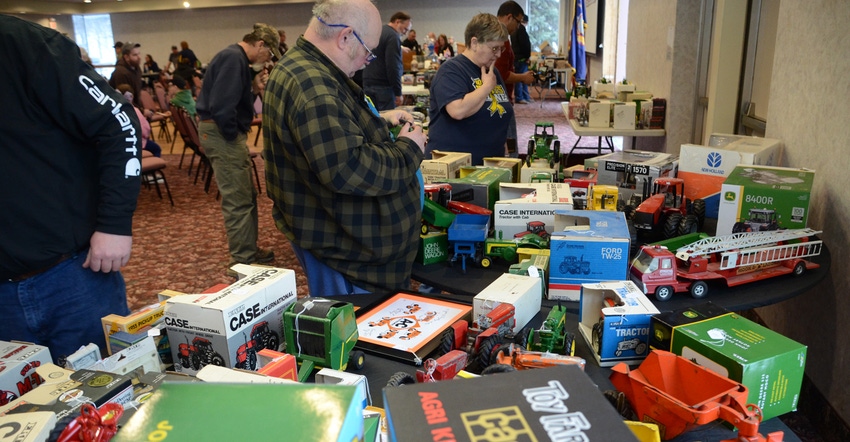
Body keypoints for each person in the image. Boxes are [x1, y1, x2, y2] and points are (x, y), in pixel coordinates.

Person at [0, 15, 141, 362]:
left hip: (71, 274)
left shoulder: (23, 44)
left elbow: (119, 124)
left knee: (110, 395)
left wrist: (114, 223)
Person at [264, 0, 427, 296]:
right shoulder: (314, 88)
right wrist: (409, 148)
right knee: (358, 329)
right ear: (346, 37)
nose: (369, 60)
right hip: (346, 253)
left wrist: (376, 119)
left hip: (335, 236)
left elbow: (331, 135)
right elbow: (348, 167)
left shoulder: (306, 68)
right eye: (369, 50)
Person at [196, 23, 281, 277]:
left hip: (222, 133)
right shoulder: (234, 59)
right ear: (260, 44)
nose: (268, 58)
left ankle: (247, 251)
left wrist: (255, 88)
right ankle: (241, 261)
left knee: (245, 195)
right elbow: (222, 106)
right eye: (269, 53)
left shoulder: (236, 59)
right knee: (238, 200)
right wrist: (234, 135)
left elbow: (234, 99)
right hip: (223, 135)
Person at [426, 13, 514, 165]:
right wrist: (486, 87)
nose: (498, 54)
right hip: (456, 170)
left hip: (489, 166)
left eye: (501, 49)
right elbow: (457, 110)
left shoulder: (492, 72)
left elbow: (503, 113)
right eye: (494, 48)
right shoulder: (451, 70)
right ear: (474, 43)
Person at [362, 11, 411, 110]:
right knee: (387, 121)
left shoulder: (378, 31)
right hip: (384, 87)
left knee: (372, 119)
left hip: (367, 81)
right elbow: (393, 66)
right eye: (405, 29)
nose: (405, 33)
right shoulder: (393, 37)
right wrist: (398, 92)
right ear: (397, 22)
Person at [494, 1, 534, 104]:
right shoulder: (500, 40)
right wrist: (523, 77)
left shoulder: (498, 36)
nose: (518, 26)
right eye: (518, 22)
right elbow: (501, 75)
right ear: (509, 17)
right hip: (499, 99)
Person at [117, 84, 163, 158]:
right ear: (131, 96)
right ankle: (151, 168)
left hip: (122, 143)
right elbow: (145, 129)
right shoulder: (135, 110)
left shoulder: (117, 111)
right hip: (138, 142)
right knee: (157, 149)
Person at [109, 41, 143, 107]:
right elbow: (125, 101)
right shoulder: (121, 73)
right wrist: (142, 112)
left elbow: (137, 95)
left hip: (136, 109)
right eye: (135, 55)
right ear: (126, 57)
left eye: (139, 54)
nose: (139, 57)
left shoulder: (136, 68)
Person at [512, 14, 533, 104]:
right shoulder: (521, 29)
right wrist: (527, 56)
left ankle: (525, 96)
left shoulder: (514, 29)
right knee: (521, 78)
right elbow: (525, 45)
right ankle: (520, 97)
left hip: (517, 57)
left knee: (522, 77)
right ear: (526, 22)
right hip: (521, 58)